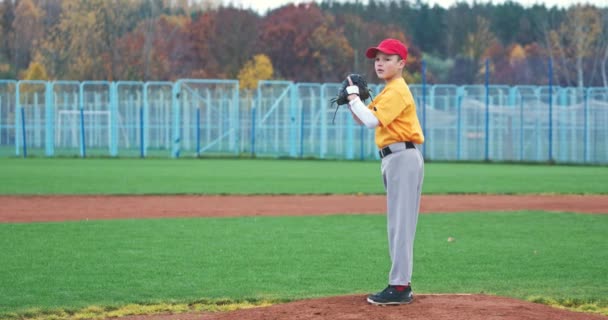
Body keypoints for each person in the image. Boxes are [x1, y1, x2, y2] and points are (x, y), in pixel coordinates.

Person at [345, 38, 425, 305]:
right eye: (377, 58)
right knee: (396, 224)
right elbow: (361, 117)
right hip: (395, 158)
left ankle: (400, 287)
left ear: (401, 63)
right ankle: (400, 283)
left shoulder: (397, 90)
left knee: (400, 225)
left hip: (403, 157)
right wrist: (350, 102)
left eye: (387, 58)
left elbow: (370, 121)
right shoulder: (389, 90)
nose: (380, 62)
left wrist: (354, 96)